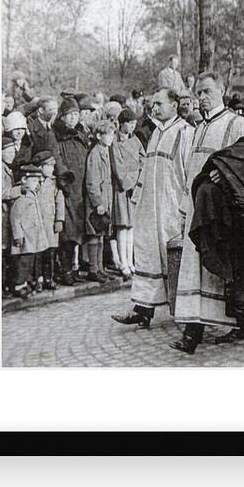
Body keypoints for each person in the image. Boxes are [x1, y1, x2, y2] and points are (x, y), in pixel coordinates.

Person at [170, 71, 244, 355]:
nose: (201, 98)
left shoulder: (237, 123)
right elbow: (191, 171)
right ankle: (196, 327)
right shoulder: (198, 128)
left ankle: (213, 328)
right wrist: (185, 207)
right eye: (198, 93)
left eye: (206, 91)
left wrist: (227, 176)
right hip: (199, 208)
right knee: (196, 268)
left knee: (225, 266)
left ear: (221, 90)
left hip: (224, 212)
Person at [112, 87, 194, 330]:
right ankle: (142, 310)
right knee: (148, 257)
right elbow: (145, 170)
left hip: (172, 208)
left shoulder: (185, 132)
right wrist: (138, 199)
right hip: (151, 207)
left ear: (174, 105)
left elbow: (191, 173)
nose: (154, 108)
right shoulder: (156, 133)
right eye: (153, 104)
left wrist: (185, 208)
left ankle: (184, 313)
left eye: (159, 104)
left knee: (174, 260)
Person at [52, 98, 91, 284]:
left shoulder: (79, 134)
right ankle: (65, 269)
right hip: (68, 187)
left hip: (81, 188)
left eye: (76, 114)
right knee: (67, 231)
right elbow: (57, 159)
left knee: (77, 230)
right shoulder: (58, 135)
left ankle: (74, 269)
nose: (74, 118)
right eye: (70, 115)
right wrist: (64, 181)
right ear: (63, 116)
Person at [110, 108, 144, 280]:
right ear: (121, 123)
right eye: (129, 123)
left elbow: (144, 160)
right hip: (123, 190)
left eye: (134, 123)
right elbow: (118, 168)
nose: (132, 126)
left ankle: (131, 261)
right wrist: (132, 180)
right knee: (122, 227)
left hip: (135, 188)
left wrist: (139, 179)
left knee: (132, 227)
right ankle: (123, 263)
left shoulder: (136, 140)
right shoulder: (115, 143)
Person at [8, 165, 49, 299]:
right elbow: (15, 217)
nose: (36, 183)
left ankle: (27, 283)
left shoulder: (32, 194)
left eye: (37, 181)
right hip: (25, 235)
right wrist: (18, 235)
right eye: (33, 180)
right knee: (22, 262)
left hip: (33, 234)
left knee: (30, 260)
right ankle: (19, 285)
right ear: (24, 179)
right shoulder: (20, 195)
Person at [84, 120, 115, 284]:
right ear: (98, 136)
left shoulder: (105, 151)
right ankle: (93, 269)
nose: (111, 137)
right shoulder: (95, 154)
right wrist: (98, 203)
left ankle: (100, 268)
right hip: (97, 203)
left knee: (101, 235)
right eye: (108, 134)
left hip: (105, 200)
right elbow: (92, 182)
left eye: (112, 134)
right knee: (94, 236)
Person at [32, 150, 64, 291]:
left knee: (50, 253)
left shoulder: (54, 183)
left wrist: (59, 220)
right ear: (40, 167)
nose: (51, 169)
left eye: (53, 166)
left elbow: (59, 202)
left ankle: (49, 278)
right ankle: (38, 279)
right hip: (37, 224)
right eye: (48, 166)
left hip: (50, 223)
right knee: (38, 254)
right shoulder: (34, 182)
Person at [2, 136, 21, 292]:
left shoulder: (7, 168)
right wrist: (18, 191)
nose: (11, 155)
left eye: (12, 151)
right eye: (7, 151)